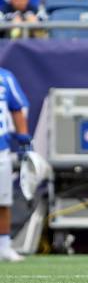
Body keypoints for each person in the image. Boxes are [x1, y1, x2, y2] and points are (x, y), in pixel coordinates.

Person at [0, 68, 29, 262]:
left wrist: (24, 138)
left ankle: (4, 247)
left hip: (1, 147)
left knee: (3, 200)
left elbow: (17, 107)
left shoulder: (5, 77)